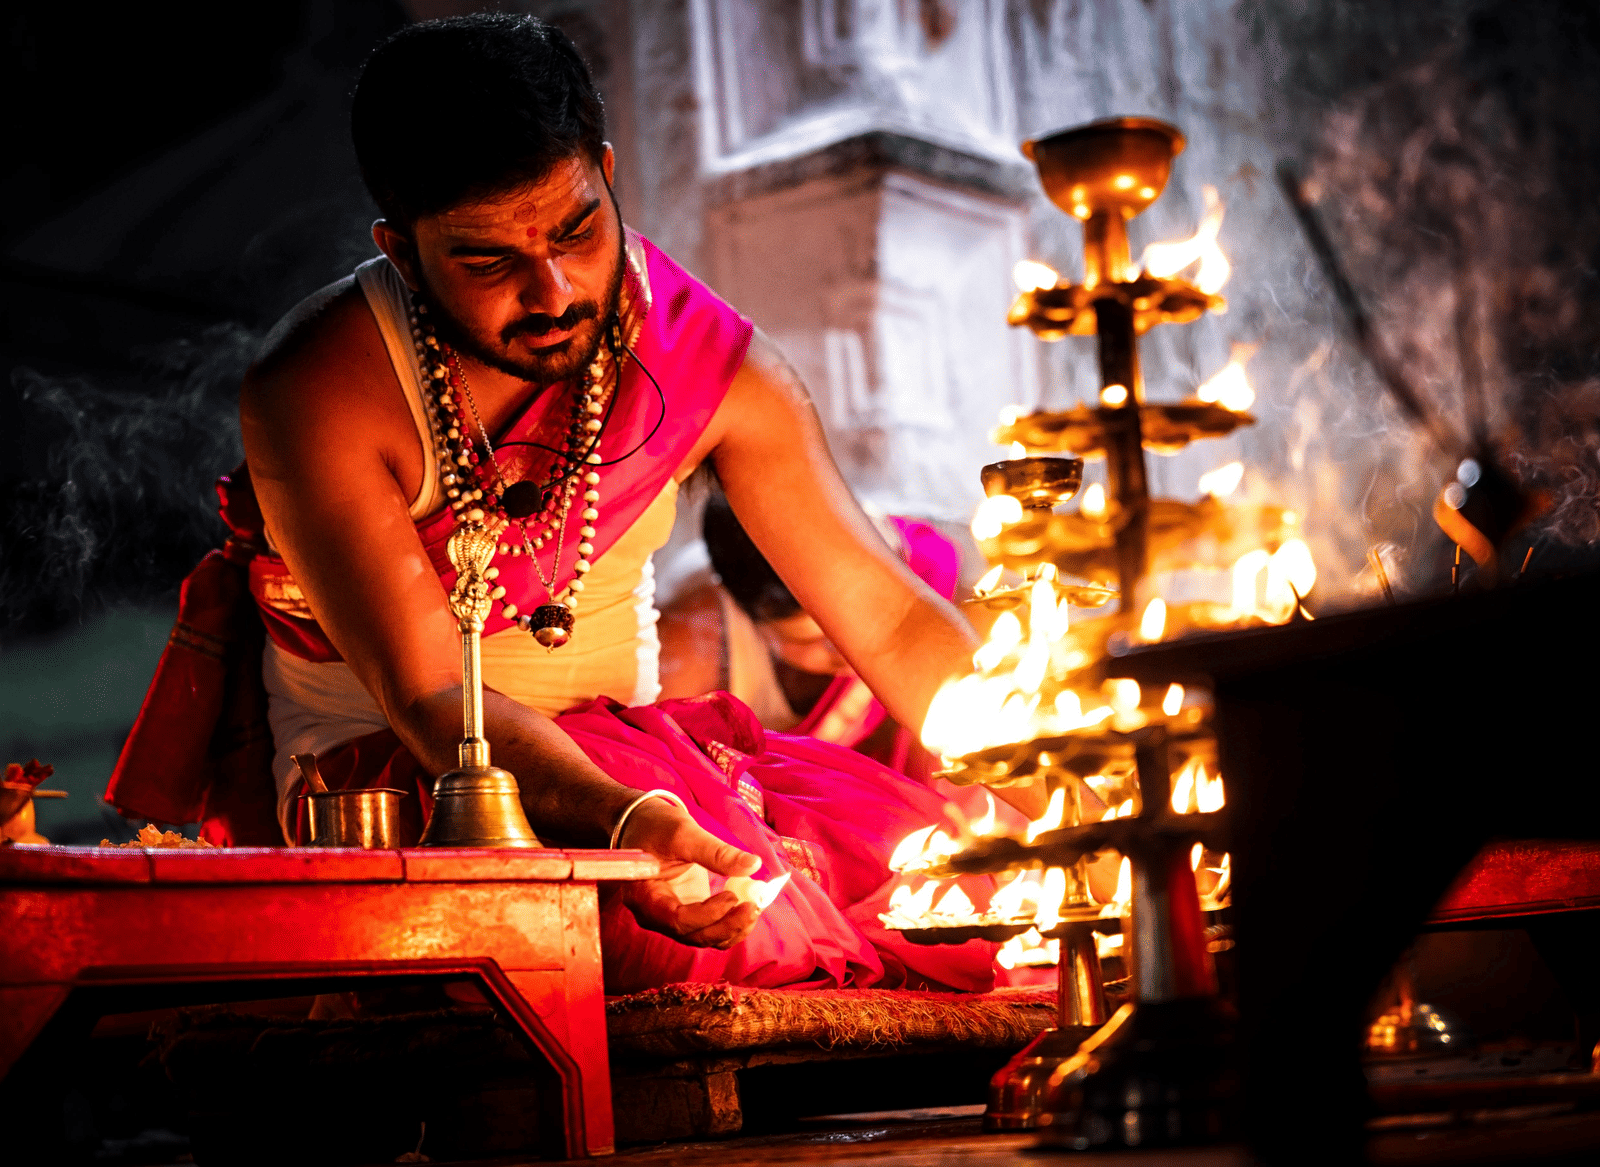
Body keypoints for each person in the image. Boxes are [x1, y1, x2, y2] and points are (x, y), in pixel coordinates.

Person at [106, 14, 1041, 994]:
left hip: (666, 766)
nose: (551, 290)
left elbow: (888, 617)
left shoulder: (702, 355)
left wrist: (1060, 787)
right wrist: (629, 823)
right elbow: (430, 701)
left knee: (977, 882)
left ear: (605, 172)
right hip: (416, 783)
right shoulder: (322, 389)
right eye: (486, 261)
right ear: (401, 248)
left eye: (576, 230)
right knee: (684, 933)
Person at [659, 490, 960, 786]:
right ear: (758, 626)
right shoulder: (689, 652)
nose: (848, 648)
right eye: (811, 640)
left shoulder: (905, 567)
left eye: (860, 617)